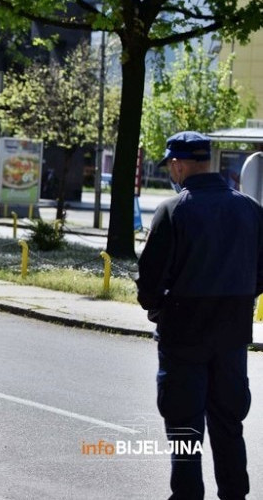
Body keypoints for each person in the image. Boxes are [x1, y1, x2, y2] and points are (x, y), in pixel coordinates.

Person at [136, 131, 263, 499]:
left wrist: (158, 306)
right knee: (228, 424)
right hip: (232, 337)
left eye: (172, 166)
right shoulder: (250, 209)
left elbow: (150, 280)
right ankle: (235, 494)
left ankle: (188, 494)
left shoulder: (174, 210)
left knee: (184, 427)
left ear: (178, 164)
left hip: (183, 336)